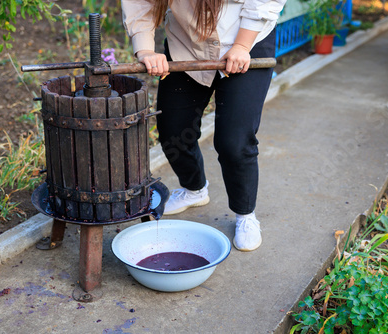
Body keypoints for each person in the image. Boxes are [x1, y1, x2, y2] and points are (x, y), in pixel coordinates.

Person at [122, 0, 286, 251]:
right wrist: (145, 51)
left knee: (234, 141)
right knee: (173, 129)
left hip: (245, 40)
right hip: (187, 44)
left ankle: (245, 214)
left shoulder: (245, 41)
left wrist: (242, 44)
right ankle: (194, 190)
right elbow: (140, 3)